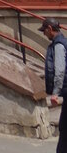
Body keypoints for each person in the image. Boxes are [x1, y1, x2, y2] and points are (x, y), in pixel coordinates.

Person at [42, 17, 66, 153]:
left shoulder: (58, 45)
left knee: (64, 128)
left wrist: (55, 93)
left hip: (66, 91)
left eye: (44, 31)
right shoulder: (64, 42)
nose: (44, 34)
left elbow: (60, 70)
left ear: (50, 29)